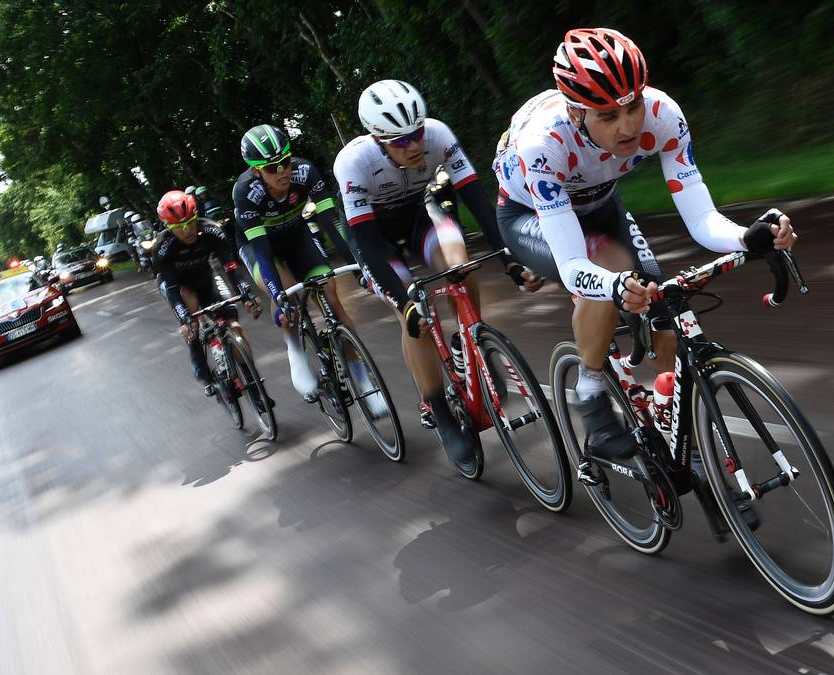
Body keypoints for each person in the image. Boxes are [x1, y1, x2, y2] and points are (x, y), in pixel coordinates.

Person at [493, 28, 797, 464]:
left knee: (661, 299)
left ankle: (671, 419)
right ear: (577, 114)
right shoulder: (545, 146)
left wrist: (746, 237)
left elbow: (701, 217)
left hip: (600, 201)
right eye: (609, 117)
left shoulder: (663, 115)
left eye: (633, 107)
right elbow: (575, 261)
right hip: (530, 215)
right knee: (607, 271)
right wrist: (614, 287)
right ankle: (591, 394)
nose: (629, 126)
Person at [334, 79, 541, 472]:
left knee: (459, 262)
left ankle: (470, 340)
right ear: (377, 140)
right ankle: (440, 409)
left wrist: (512, 260)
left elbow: (479, 201)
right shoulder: (353, 163)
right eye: (400, 141)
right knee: (414, 320)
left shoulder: (439, 135)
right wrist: (403, 301)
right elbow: (369, 243)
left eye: (416, 134)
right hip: (374, 240)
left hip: (415, 218)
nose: (413, 146)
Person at [232, 123, 356, 401]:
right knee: (289, 291)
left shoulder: (305, 172)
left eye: (285, 162)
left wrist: (358, 265)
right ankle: (295, 351)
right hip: (260, 247)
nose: (282, 171)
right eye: (272, 168)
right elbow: (263, 253)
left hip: (296, 235)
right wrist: (278, 295)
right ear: (256, 171)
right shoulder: (246, 193)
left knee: (330, 292)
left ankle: (360, 370)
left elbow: (331, 225)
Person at [153, 190, 262, 397]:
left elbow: (230, 267)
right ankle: (198, 358)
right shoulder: (163, 248)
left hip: (204, 275)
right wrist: (184, 320)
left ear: (197, 217)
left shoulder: (212, 231)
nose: (187, 231)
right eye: (179, 227)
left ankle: (253, 382)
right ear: (169, 227)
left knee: (235, 326)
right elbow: (172, 288)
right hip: (177, 284)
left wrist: (246, 294)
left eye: (191, 223)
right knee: (191, 310)